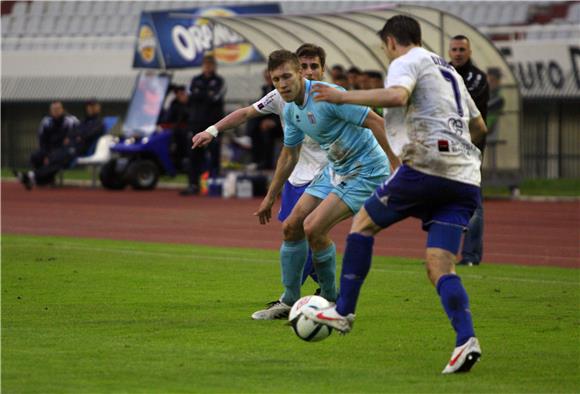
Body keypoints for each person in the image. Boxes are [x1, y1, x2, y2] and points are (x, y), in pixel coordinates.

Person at [305, 15, 487, 374]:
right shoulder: (448, 70)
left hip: (425, 166)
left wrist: (342, 96)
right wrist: (458, 158)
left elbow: (397, 95)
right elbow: (478, 126)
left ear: (391, 41)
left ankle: (342, 311)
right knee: (440, 265)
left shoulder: (407, 60)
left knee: (363, 224)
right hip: (466, 178)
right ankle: (466, 340)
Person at [191, 44, 332, 319]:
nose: (309, 71)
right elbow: (246, 114)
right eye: (304, 66)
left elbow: (368, 122)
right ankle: (325, 293)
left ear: (323, 69)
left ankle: (293, 300)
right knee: (296, 235)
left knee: (301, 229)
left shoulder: (331, 97)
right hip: (296, 175)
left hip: (327, 173)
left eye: (315, 66)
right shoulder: (281, 96)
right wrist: (213, 130)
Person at [254, 49, 396, 320]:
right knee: (291, 226)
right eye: (276, 79)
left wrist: (398, 167)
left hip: (366, 170)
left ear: (299, 73)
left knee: (313, 227)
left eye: (287, 76)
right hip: (336, 169)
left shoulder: (327, 95)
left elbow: (376, 121)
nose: (282, 84)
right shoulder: (292, 109)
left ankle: (331, 301)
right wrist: (270, 197)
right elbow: (289, 154)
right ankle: (289, 300)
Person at [449, 35, 489, 266]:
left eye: (462, 49)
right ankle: (444, 252)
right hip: (447, 150)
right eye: (454, 49)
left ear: (469, 51)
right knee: (444, 200)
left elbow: (460, 106)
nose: (458, 53)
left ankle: (471, 256)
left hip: (470, 151)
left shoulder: (477, 78)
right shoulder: (444, 72)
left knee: (474, 204)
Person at [15, 100, 105, 189]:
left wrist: (80, 136)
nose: (91, 109)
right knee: (50, 158)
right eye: (89, 107)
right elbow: (73, 133)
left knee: (56, 159)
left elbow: (89, 134)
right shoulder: (83, 122)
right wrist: (73, 137)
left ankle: (31, 176)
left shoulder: (99, 123)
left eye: (93, 107)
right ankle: (36, 179)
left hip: (78, 150)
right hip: (68, 147)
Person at [184, 55, 226, 196]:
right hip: (195, 124)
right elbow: (190, 97)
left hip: (213, 126)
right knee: (194, 155)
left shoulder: (220, 81)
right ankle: (193, 185)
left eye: (210, 64)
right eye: (206, 64)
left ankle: (214, 185)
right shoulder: (195, 80)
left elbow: (214, 98)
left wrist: (200, 94)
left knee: (214, 156)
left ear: (215, 66)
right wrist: (205, 94)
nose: (208, 67)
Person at [245, 68, 283, 170]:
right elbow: (261, 106)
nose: (268, 79)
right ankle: (256, 160)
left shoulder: (280, 90)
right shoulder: (265, 89)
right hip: (269, 119)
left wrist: (273, 122)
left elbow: (283, 109)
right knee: (253, 124)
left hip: (280, 122)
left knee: (267, 132)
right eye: (266, 77)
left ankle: (267, 163)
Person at [29, 101, 79, 170]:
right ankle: (41, 178)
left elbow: (78, 135)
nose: (56, 111)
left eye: (58, 109)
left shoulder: (71, 121)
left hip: (65, 150)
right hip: (49, 149)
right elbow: (42, 140)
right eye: (54, 109)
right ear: (50, 111)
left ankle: (36, 176)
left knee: (55, 157)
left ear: (62, 109)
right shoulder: (46, 122)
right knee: (35, 157)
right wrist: (46, 154)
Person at [162, 85, 191, 172]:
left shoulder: (191, 105)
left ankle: (185, 168)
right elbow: (167, 118)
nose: (180, 96)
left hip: (186, 133)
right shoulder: (174, 104)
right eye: (178, 94)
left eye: (182, 94)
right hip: (175, 132)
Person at [485, 67, 505, 141]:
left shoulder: (498, 99)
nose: (494, 83)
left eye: (497, 80)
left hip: (489, 133)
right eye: (491, 80)